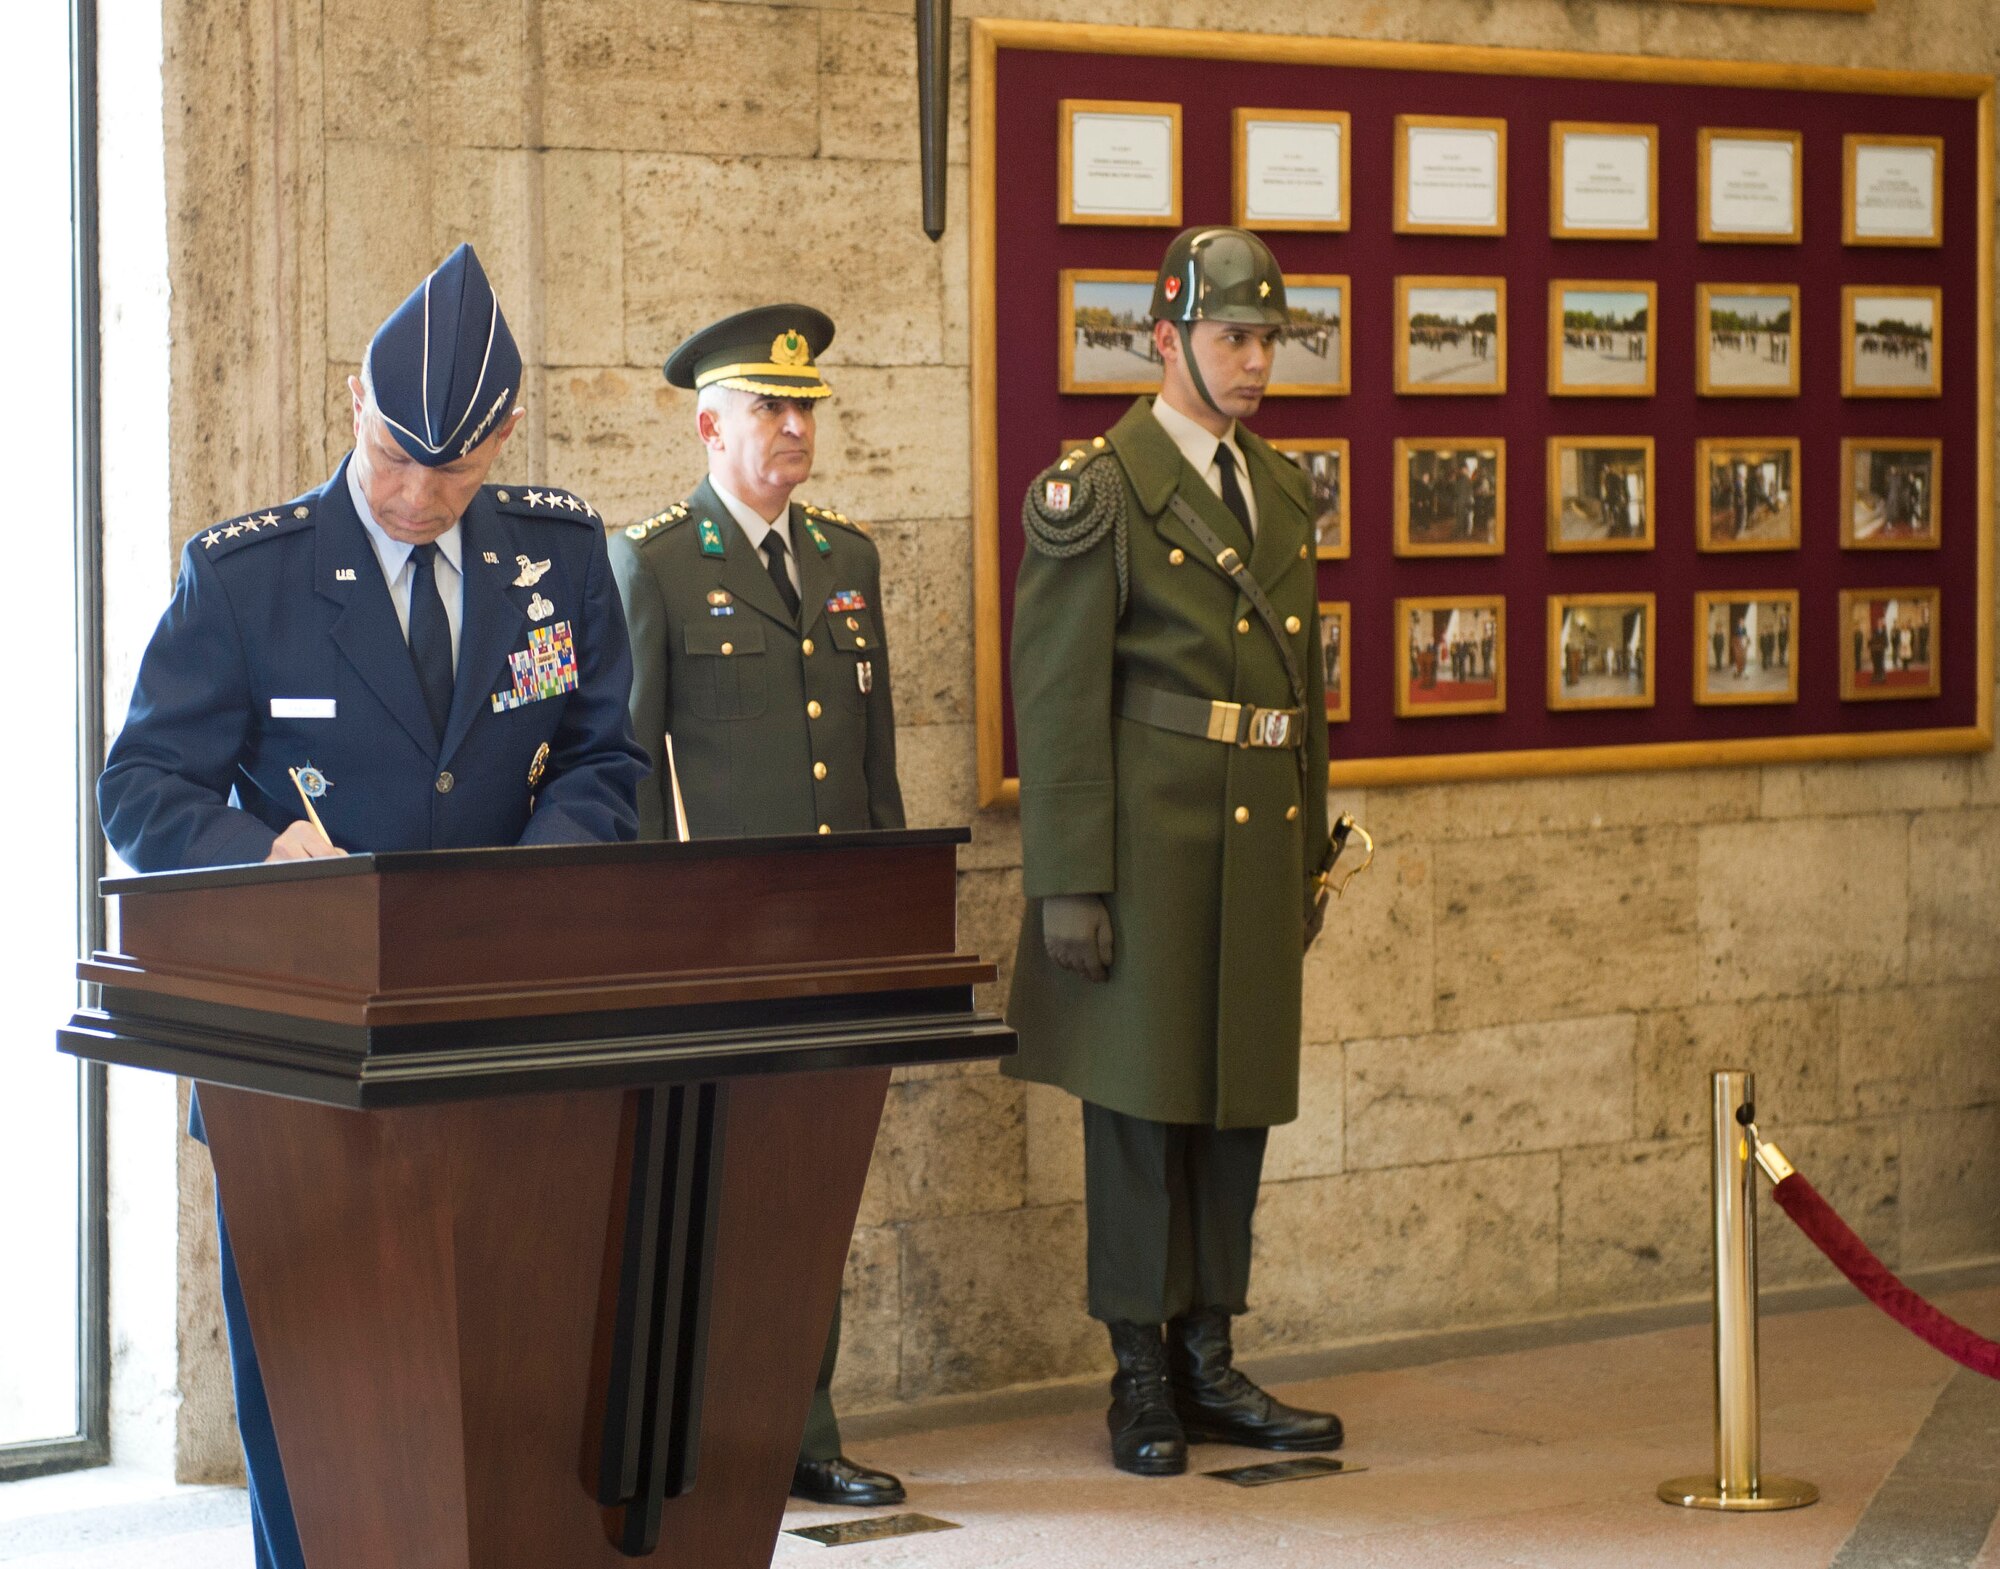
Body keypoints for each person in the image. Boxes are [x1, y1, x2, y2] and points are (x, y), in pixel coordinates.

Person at [98, 243, 649, 1569]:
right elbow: (143, 787)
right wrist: (262, 849)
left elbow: (605, 760)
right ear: (355, 400)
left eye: (453, 469)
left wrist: (529, 880)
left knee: (500, 1363)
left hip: (501, 1030)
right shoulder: (247, 578)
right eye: (398, 454)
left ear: (503, 438)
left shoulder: (560, 560)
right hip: (302, 1047)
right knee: (320, 1373)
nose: (417, 493)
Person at [1005, 227, 1341, 1478]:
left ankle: (1209, 1357)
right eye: (1232, 337)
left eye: (1267, 338)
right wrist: (1067, 881)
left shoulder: (1283, 486)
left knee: (1234, 1100)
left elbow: (1300, 684)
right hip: (1143, 845)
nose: (1256, 360)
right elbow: (1055, 695)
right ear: (1164, 339)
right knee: (1141, 1113)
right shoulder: (1095, 490)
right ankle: (1138, 1374)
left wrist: (1310, 841)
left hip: (1253, 839)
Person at [609, 304, 907, 1510]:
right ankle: (700, 1433)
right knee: (709, 1191)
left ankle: (804, 1424)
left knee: (810, 1182)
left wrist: (889, 908)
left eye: (805, 409)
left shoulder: (847, 559)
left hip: (831, 933)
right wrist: (644, 941)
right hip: (711, 944)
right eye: (769, 410)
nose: (793, 428)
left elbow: (870, 754)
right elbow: (627, 773)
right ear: (707, 425)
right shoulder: (658, 561)